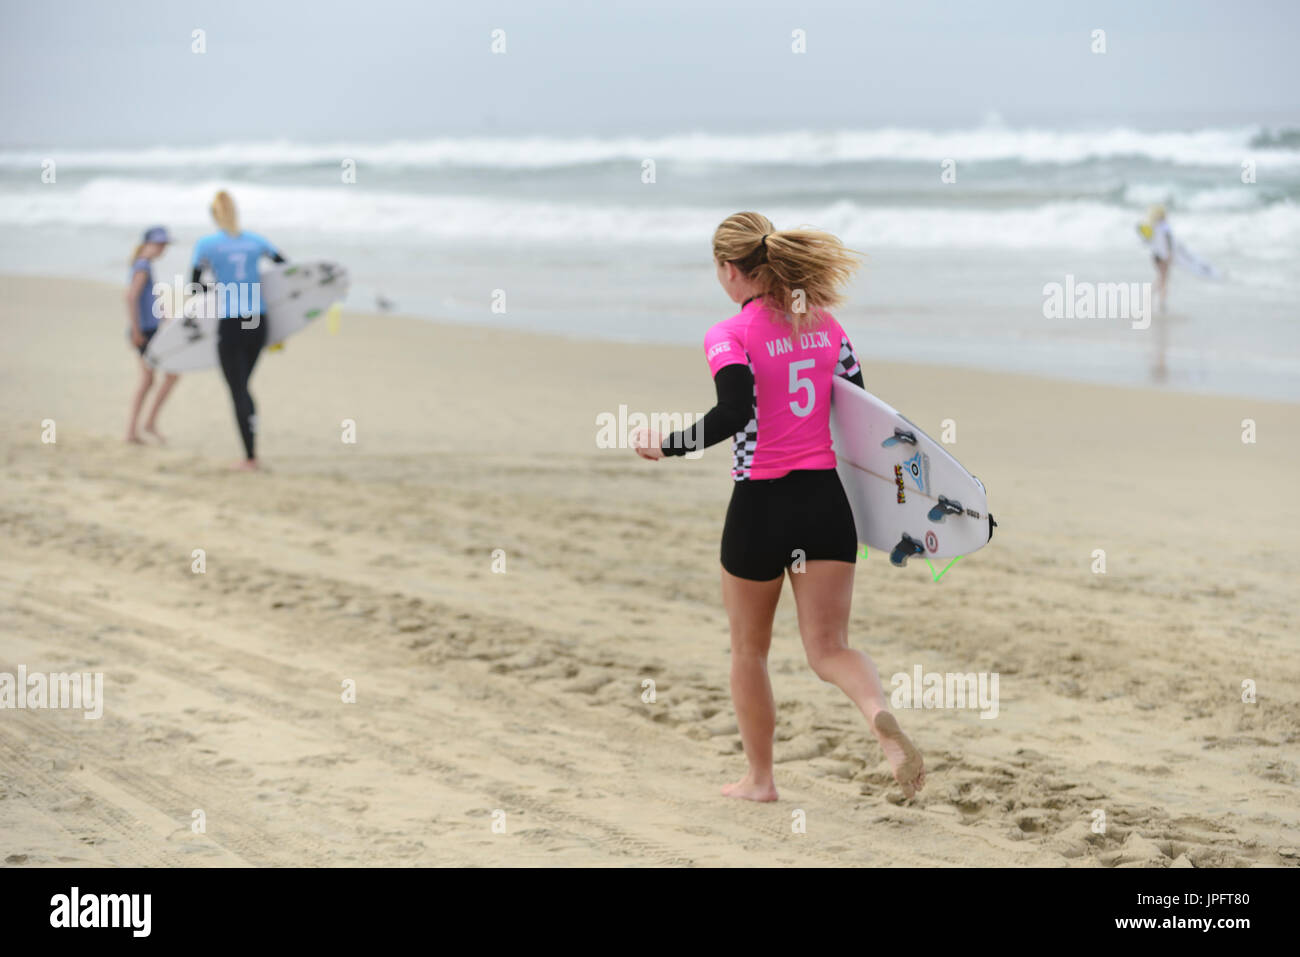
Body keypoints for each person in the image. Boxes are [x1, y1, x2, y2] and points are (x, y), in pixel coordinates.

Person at [631, 211, 926, 802]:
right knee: (830, 649)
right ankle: (875, 714)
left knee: (749, 650)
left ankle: (760, 780)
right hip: (824, 503)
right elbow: (862, 414)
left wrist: (668, 443)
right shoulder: (828, 325)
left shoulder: (728, 334)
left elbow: (734, 411)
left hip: (760, 506)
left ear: (728, 268)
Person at [190, 191, 286, 470]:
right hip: (257, 320)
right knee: (244, 387)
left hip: (232, 321)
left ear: (213, 215)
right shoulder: (255, 241)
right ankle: (251, 452)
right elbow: (285, 267)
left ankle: (250, 457)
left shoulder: (207, 245)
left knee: (238, 390)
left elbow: (194, 286)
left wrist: (220, 287)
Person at [124, 226, 179, 444]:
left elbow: (148, 298)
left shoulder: (143, 264)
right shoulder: (143, 265)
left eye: (164, 244)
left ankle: (140, 427)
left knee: (150, 380)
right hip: (145, 332)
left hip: (150, 329)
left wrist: (165, 315)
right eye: (159, 243)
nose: (162, 248)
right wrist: (136, 331)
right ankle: (141, 427)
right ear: (147, 243)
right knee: (159, 377)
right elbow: (130, 297)